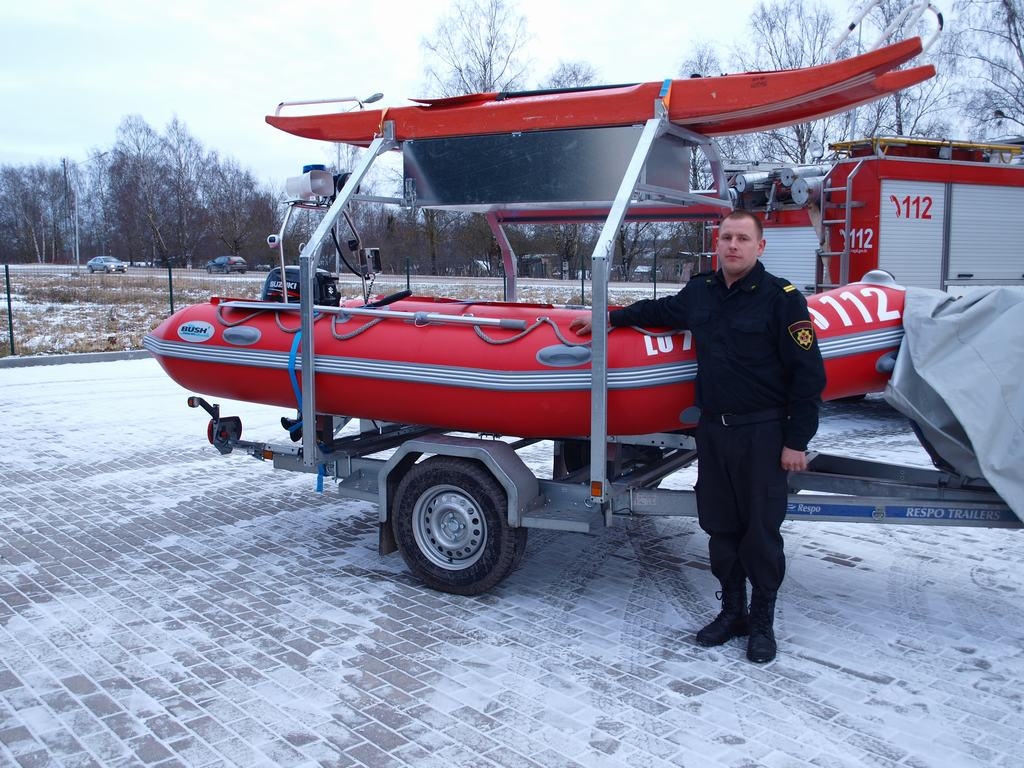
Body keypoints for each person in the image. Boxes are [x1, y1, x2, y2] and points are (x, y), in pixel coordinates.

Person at [570, 209, 826, 663]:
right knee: (719, 526)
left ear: (759, 246)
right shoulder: (701, 291)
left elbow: (808, 376)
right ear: (717, 243)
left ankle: (762, 623)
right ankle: (732, 612)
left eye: (743, 239)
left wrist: (797, 441)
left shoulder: (781, 299)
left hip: (763, 433)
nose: (733, 245)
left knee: (761, 533)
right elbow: (660, 310)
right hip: (713, 431)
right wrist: (613, 318)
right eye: (726, 237)